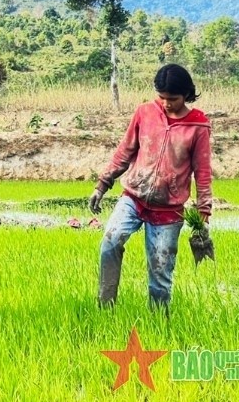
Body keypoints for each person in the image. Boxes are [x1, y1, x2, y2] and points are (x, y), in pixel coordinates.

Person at [89, 63, 212, 311]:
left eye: (173, 99)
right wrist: (102, 184)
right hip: (133, 197)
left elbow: (203, 172)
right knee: (110, 242)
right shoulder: (145, 112)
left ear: (186, 94)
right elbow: (125, 151)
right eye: (162, 97)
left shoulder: (198, 126)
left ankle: (158, 321)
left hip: (169, 210)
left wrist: (203, 213)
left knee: (160, 272)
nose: (167, 103)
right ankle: (105, 307)